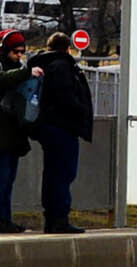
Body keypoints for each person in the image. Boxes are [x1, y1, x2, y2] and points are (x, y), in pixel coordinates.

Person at [28, 31, 94, 235]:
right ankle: (59, 218)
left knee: (52, 174)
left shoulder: (43, 64)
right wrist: (80, 109)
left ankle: (51, 218)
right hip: (62, 127)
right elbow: (65, 97)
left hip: (47, 127)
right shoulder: (62, 66)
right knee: (63, 174)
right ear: (67, 48)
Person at [0, 32, 34, 234]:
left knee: (9, 177)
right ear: (5, 50)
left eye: (22, 52)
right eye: (16, 51)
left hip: (14, 128)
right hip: (1, 128)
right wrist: (26, 73)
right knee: (2, 176)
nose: (19, 55)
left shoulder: (17, 67)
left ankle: (5, 219)